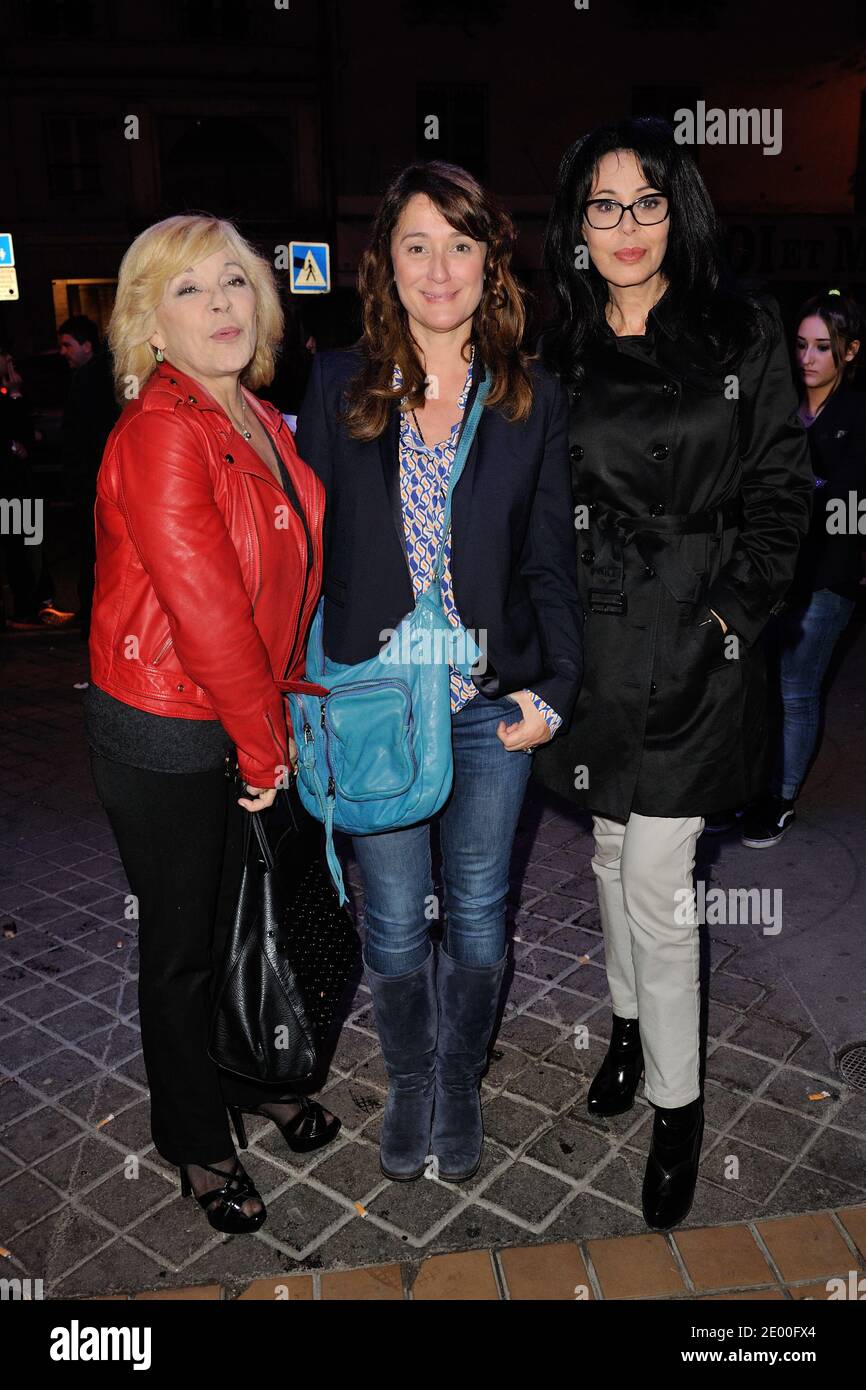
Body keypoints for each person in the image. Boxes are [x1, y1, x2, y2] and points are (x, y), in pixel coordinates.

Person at [534, 117, 813, 1230]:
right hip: (596, 637)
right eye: (601, 205)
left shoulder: (739, 329)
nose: (625, 226)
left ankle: (676, 1105)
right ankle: (623, 1028)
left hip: (700, 635)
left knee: (656, 873)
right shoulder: (558, 344)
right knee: (608, 848)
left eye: (646, 200)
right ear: (574, 226)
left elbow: (782, 494)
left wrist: (727, 614)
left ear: (678, 211)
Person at [296, 161, 582, 1184]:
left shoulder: (527, 396)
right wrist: (290, 701)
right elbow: (303, 559)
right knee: (390, 922)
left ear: (488, 261)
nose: (438, 267)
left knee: (472, 916)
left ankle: (459, 1076)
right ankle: (409, 1076)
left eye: (459, 244)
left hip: (483, 707)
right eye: (415, 244)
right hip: (375, 704)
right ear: (386, 261)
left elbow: (552, 557)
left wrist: (554, 689)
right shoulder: (336, 382)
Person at [86, 213, 340, 1235]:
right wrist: (262, 746)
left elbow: (288, 575)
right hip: (167, 724)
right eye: (188, 290)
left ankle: (246, 1071)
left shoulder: (260, 419)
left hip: (237, 715)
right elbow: (205, 610)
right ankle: (193, 1137)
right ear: (150, 323)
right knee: (182, 947)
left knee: (244, 917)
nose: (221, 304)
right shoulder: (160, 430)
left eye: (233, 282)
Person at [741, 290, 865, 848]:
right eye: (800, 346)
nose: (808, 358)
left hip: (828, 576)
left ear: (850, 351)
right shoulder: (780, 407)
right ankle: (746, 788)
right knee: (757, 686)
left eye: (822, 347)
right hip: (771, 572)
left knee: (796, 688)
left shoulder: (859, 415)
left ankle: (780, 799)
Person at [58, 314, 120, 639]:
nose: (63, 352)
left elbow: (74, 439)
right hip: (103, 485)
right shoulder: (114, 375)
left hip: (94, 486)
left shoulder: (90, 379)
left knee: (95, 555)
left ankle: (93, 623)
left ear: (87, 345)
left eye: (68, 345)